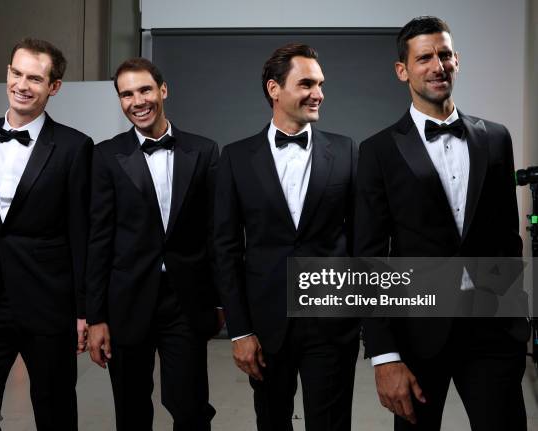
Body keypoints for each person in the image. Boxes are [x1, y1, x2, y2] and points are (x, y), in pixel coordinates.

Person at [355, 16, 529, 431]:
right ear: (403, 70)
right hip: (417, 336)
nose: (438, 65)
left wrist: (515, 319)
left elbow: (508, 238)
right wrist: (384, 355)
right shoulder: (378, 150)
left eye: (445, 54)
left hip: (491, 331)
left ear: (457, 61)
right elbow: (370, 256)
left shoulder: (496, 138)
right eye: (425, 58)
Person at [214, 43, 359, 431]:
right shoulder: (236, 157)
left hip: (332, 321)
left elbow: (362, 242)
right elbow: (226, 249)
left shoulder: (346, 152)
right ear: (274, 89)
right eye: (307, 83)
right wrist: (240, 330)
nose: (319, 94)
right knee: (272, 422)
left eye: (321, 84)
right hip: (266, 326)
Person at [0, 38, 92, 430]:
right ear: (8, 73)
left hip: (48, 302)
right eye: (16, 73)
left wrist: (83, 310)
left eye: (35, 77)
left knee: (56, 412)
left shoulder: (75, 146)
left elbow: (81, 232)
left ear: (54, 86)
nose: (22, 85)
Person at [86, 57, 223, 431]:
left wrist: (220, 299)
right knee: (131, 409)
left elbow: (216, 234)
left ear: (163, 90)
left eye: (144, 90)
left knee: (191, 407)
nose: (137, 101)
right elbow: (98, 239)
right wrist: (95, 316)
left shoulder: (205, 150)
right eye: (126, 94)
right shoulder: (105, 155)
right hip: (126, 300)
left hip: (186, 299)